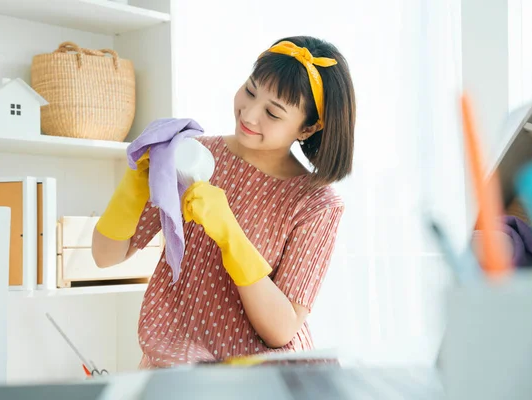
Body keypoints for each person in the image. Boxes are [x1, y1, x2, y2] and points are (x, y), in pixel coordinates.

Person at [92, 35, 356, 369]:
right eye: (250, 90)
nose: (250, 113)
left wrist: (231, 235)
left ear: (308, 128)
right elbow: (105, 256)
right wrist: (135, 184)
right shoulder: (193, 156)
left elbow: (281, 330)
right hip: (176, 368)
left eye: (273, 113)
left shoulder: (315, 203)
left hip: (262, 378)